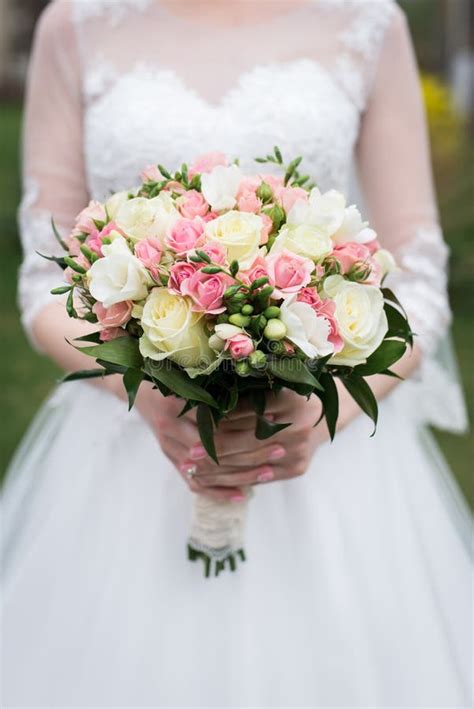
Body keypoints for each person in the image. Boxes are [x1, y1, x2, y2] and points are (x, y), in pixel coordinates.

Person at [2, 1, 471, 706]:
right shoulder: (76, 22)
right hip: (128, 442)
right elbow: (44, 280)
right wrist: (152, 393)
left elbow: (420, 277)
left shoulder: (367, 21)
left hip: (332, 458)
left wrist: (320, 417)